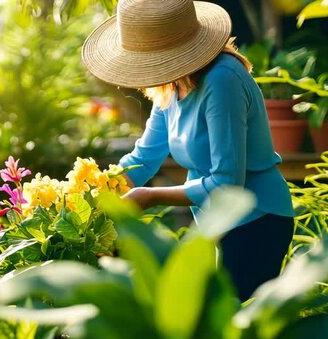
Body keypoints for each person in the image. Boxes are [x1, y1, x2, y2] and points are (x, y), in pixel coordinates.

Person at [81, 0, 294, 301]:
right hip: (215, 222)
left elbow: (227, 183)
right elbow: (143, 160)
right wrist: (92, 193)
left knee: (234, 326)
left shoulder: (223, 80)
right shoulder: (171, 86)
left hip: (257, 219)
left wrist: (150, 197)